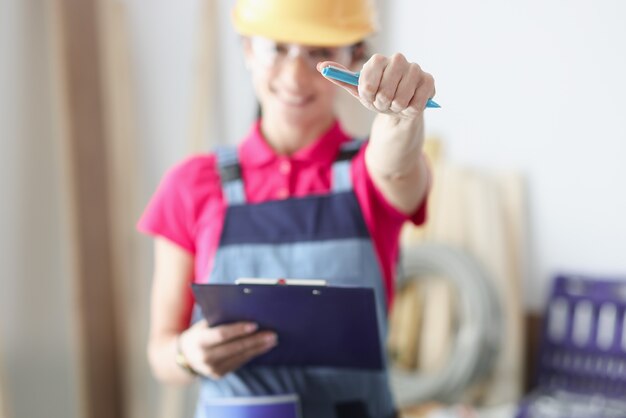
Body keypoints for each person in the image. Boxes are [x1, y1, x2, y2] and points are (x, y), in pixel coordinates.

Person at [137, 0, 436, 417]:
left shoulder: (368, 174)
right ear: (246, 50)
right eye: (277, 48)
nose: (296, 76)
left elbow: (397, 164)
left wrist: (401, 117)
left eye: (319, 54)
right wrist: (188, 354)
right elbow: (161, 352)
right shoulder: (191, 184)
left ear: (354, 58)